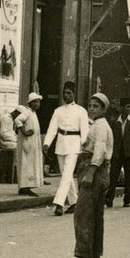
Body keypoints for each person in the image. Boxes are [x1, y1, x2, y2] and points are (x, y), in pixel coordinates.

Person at [62, 92, 113, 258]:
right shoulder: (100, 125)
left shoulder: (100, 127)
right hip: (100, 171)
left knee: (83, 215)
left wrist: (90, 172)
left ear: (103, 109)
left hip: (94, 170)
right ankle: (95, 257)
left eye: (96, 106)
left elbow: (99, 150)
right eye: (90, 105)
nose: (91, 108)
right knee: (95, 217)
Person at [43, 81, 89, 216]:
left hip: (74, 145)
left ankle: (59, 203)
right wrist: (47, 143)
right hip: (60, 144)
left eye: (69, 93)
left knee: (67, 174)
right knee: (65, 175)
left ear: (74, 94)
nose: (66, 95)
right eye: (65, 93)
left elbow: (85, 131)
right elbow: (52, 129)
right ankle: (74, 202)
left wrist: (84, 147)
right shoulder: (58, 111)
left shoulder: (81, 111)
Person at [105, 98, 130, 208]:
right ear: (122, 108)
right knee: (113, 176)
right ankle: (109, 198)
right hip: (117, 153)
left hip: (129, 153)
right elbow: (110, 137)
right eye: (127, 107)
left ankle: (127, 200)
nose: (129, 109)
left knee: (129, 177)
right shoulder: (115, 121)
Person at [15, 93, 43, 196]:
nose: (37, 104)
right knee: (26, 164)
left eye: (38, 102)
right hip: (27, 143)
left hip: (32, 143)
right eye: (35, 102)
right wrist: (24, 132)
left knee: (30, 164)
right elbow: (17, 120)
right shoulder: (27, 112)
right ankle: (24, 187)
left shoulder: (33, 114)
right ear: (31, 103)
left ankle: (26, 186)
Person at [0, 107, 21, 183]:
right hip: (3, 141)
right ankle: (13, 174)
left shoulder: (11, 119)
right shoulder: (5, 118)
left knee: (22, 146)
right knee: (19, 147)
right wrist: (16, 139)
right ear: (16, 112)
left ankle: (15, 174)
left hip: (10, 140)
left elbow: (12, 133)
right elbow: (3, 134)